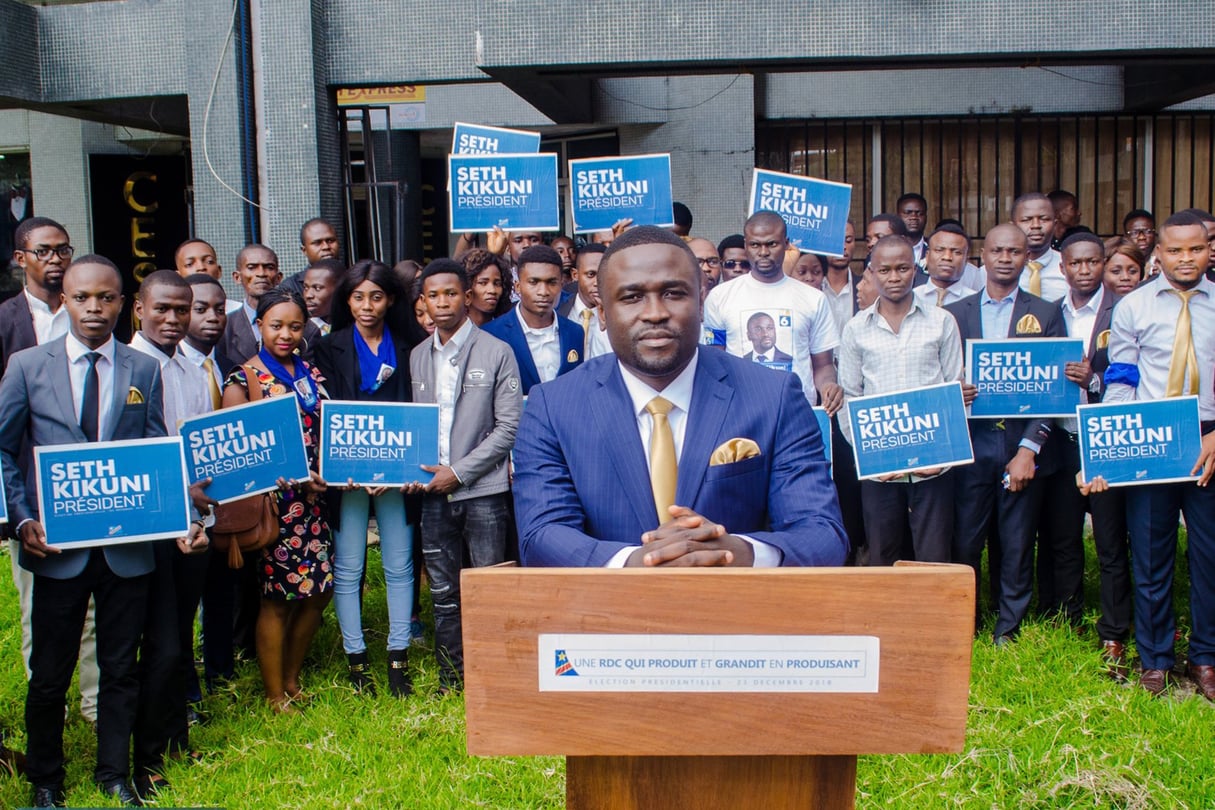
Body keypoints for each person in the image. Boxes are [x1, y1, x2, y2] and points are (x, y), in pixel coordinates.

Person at [512, 225, 847, 568]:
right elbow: (542, 534)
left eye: (673, 293)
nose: (655, 312)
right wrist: (633, 562)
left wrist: (739, 552)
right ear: (601, 312)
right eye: (631, 297)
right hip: (608, 616)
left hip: (736, 615)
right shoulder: (553, 408)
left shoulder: (774, 397)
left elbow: (822, 534)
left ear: (702, 302)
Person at [0, 255, 192, 807]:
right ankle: (45, 781)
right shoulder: (26, 366)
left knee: (119, 669)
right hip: (57, 548)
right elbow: (6, 451)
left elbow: (156, 452)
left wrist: (179, 518)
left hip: (125, 550)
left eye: (105, 298)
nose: (93, 308)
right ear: (64, 299)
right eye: (82, 297)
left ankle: (114, 774)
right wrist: (21, 517)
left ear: (121, 302)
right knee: (49, 674)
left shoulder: (141, 369)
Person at [1103, 212, 1215, 700]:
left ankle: (1206, 658)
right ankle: (1155, 659)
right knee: (1151, 554)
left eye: (1195, 249)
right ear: (1158, 253)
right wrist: (1111, 444)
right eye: (1175, 250)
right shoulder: (1133, 307)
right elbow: (1121, 381)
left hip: (1210, 434)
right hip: (1149, 433)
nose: (1185, 258)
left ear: (1209, 250)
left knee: (1210, 556)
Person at [0, 217, 101, 735]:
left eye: (65, 248)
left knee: (93, 608)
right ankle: (50, 705)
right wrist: (17, 509)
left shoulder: (91, 310)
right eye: (45, 250)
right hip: (34, 492)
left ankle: (94, 702)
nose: (57, 258)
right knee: (38, 603)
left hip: (98, 490)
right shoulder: (6, 321)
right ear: (22, 259)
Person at [945, 223, 1066, 644]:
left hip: (1020, 445)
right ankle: (965, 624)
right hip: (970, 445)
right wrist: (952, 391)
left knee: (1015, 545)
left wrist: (1028, 449)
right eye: (997, 251)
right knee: (964, 541)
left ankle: (1007, 630)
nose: (1005, 258)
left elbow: (1054, 389)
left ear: (1026, 258)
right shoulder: (955, 313)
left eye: (1014, 251)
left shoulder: (1047, 312)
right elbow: (937, 377)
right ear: (983, 256)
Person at [406, 259, 522, 692]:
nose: (442, 302)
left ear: (467, 297)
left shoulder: (496, 351)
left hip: (484, 492)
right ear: (423, 301)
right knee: (442, 591)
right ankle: (451, 678)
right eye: (433, 295)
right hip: (432, 492)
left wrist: (458, 473)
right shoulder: (418, 356)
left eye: (451, 293)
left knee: (489, 588)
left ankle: (495, 678)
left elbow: (509, 428)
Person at [221, 288, 334, 713]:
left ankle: (291, 677)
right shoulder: (242, 377)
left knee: (317, 591)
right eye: (276, 325)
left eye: (294, 326)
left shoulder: (309, 372)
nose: (285, 334)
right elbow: (234, 451)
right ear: (259, 327)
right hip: (275, 507)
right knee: (277, 599)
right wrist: (284, 476)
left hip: (315, 503)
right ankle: (273, 694)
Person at [126, 270, 212, 802]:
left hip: (194, 529)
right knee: (151, 649)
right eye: (162, 309)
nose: (173, 319)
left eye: (182, 310)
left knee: (180, 640)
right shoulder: (127, 367)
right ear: (139, 309)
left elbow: (201, 450)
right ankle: (147, 755)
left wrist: (203, 518)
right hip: (150, 528)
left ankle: (177, 740)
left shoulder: (193, 365)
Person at [313, 261, 417, 698]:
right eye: (358, 297)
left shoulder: (413, 345)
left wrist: (399, 468)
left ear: (390, 299)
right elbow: (322, 413)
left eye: (376, 296)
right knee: (349, 565)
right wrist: (344, 466)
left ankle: (398, 658)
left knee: (399, 564)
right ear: (347, 300)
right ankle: (357, 660)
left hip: (397, 475)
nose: (367, 306)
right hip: (348, 478)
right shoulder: (327, 347)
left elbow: (419, 410)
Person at [838, 236, 963, 565]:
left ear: (915, 269)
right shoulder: (855, 330)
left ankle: (933, 619)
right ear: (872, 272)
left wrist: (944, 459)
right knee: (883, 553)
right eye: (885, 270)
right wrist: (869, 456)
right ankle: (885, 619)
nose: (894, 277)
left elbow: (955, 390)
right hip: (880, 469)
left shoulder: (942, 322)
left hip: (933, 466)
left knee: (934, 555)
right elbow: (850, 396)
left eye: (903, 268)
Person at [1033, 233, 1114, 634]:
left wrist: (1094, 380)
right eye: (1076, 263)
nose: (1084, 270)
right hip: (1061, 438)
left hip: (1104, 438)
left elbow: (1132, 372)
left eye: (1093, 262)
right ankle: (1068, 616)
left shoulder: (1122, 310)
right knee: (1063, 535)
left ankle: (1116, 623)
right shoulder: (1049, 313)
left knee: (1110, 537)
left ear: (1103, 263)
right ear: (1061, 268)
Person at [178, 274, 247, 691]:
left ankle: (221, 672)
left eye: (219, 309)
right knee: (184, 601)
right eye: (200, 308)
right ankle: (187, 684)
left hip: (225, 499)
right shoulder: (167, 365)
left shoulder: (224, 364)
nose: (211, 317)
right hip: (184, 499)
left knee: (222, 590)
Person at [704, 211, 842, 412]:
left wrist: (828, 385)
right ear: (745, 245)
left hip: (797, 411)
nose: (763, 252)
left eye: (771, 244)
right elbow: (716, 362)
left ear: (786, 244)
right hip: (742, 413)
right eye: (755, 245)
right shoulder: (719, 297)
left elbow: (823, 366)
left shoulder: (813, 299)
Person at [482, 245, 583, 395]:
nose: (543, 292)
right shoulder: (491, 335)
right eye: (534, 282)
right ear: (517, 287)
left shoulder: (575, 332)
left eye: (552, 282)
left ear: (561, 284)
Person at [557, 242, 612, 359]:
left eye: (603, 274)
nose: (597, 283)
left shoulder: (618, 315)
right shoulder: (558, 311)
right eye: (591, 275)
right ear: (575, 275)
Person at [914, 224, 983, 308]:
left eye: (956, 252)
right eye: (939, 250)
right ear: (927, 256)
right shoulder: (911, 298)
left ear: (966, 260)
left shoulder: (977, 302)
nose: (947, 257)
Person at [1013, 193, 1064, 301]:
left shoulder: (1069, 267)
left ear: (1055, 224)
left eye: (1044, 219)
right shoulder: (992, 271)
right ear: (1013, 226)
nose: (1035, 225)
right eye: (1026, 220)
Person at [461, 249, 510, 327]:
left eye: (497, 284)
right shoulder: (454, 330)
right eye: (483, 283)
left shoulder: (507, 328)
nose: (492, 290)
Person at [301, 258, 344, 336]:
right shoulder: (302, 332)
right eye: (306, 287)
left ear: (339, 289)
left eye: (317, 288)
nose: (308, 295)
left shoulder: (357, 328)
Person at [895, 193, 928, 262]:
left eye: (919, 213)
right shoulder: (886, 248)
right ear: (897, 216)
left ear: (926, 217)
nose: (914, 217)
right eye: (908, 213)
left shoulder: (933, 248)